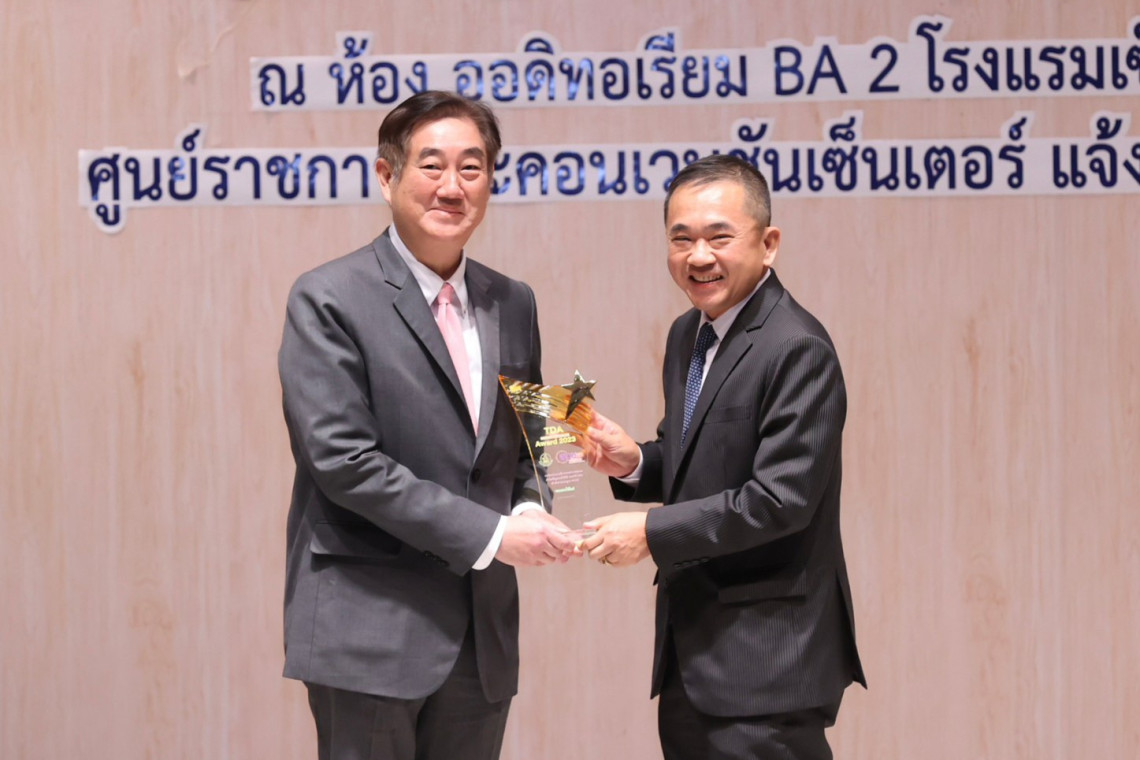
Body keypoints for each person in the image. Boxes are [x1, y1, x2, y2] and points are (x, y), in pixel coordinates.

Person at [278, 90, 577, 760]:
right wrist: (493, 535)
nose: (452, 186)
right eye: (432, 165)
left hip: (481, 635)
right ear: (387, 176)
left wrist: (532, 506)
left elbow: (534, 438)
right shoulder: (328, 297)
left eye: (472, 168)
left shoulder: (514, 301)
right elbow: (344, 462)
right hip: (369, 630)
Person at [582, 154, 866, 760]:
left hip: (767, 662)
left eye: (719, 237)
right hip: (695, 652)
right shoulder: (689, 332)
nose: (698, 256)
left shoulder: (797, 347)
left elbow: (780, 500)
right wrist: (635, 463)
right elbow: (702, 463)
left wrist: (651, 533)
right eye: (681, 238)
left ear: (768, 244)